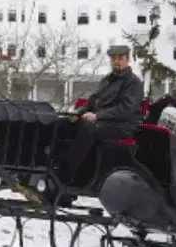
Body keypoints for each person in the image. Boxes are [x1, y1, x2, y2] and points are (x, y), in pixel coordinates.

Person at [60, 44, 144, 185]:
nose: (116, 61)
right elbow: (93, 100)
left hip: (121, 127)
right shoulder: (107, 80)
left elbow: (125, 109)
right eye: (113, 58)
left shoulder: (133, 83)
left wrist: (98, 116)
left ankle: (65, 177)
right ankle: (51, 165)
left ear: (127, 59)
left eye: (120, 58)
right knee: (63, 124)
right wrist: (78, 113)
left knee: (88, 128)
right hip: (102, 122)